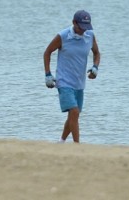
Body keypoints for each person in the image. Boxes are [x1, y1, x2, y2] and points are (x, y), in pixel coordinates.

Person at [43, 9, 100, 143]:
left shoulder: (90, 36)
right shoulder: (63, 36)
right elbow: (47, 52)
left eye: (86, 27)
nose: (83, 30)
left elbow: (97, 53)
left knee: (74, 115)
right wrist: (48, 74)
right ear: (74, 23)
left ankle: (61, 142)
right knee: (74, 112)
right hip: (64, 81)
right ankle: (77, 145)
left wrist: (95, 67)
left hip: (79, 82)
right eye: (81, 27)